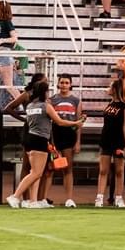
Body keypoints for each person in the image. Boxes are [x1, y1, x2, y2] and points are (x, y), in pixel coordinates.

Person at [4, 75, 56, 210]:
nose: (46, 84)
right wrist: (24, 120)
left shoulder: (43, 100)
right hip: (31, 132)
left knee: (38, 169)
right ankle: (23, 197)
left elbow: (48, 119)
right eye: (44, 81)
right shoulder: (27, 95)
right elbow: (9, 108)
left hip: (42, 131)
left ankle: (34, 199)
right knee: (28, 166)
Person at [47, 74, 84, 208]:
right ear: (58, 84)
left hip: (69, 135)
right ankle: (44, 198)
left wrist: (78, 141)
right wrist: (50, 141)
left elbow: (79, 122)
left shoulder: (76, 101)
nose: (64, 85)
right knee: (51, 168)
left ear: (70, 84)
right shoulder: (52, 100)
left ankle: (69, 199)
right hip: (55, 135)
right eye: (62, 82)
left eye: (66, 83)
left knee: (67, 168)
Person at [94, 81, 125, 209]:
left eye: (110, 86)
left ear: (115, 89)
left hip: (118, 141)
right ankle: (99, 197)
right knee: (103, 170)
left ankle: (119, 198)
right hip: (106, 140)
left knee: (119, 171)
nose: (107, 88)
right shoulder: (109, 104)